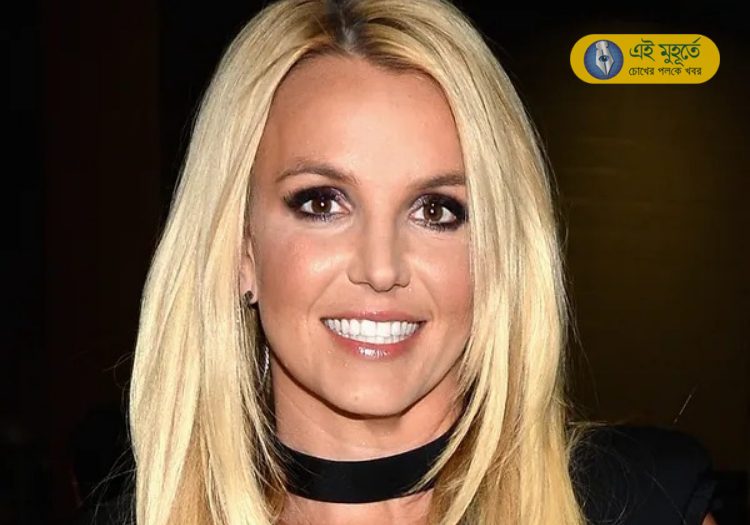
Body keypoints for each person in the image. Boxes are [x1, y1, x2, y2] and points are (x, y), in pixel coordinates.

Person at [119, 0, 718, 523]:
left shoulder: (639, 506)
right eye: (322, 202)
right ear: (241, 248)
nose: (382, 269)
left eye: (435, 211)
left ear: (499, 255)